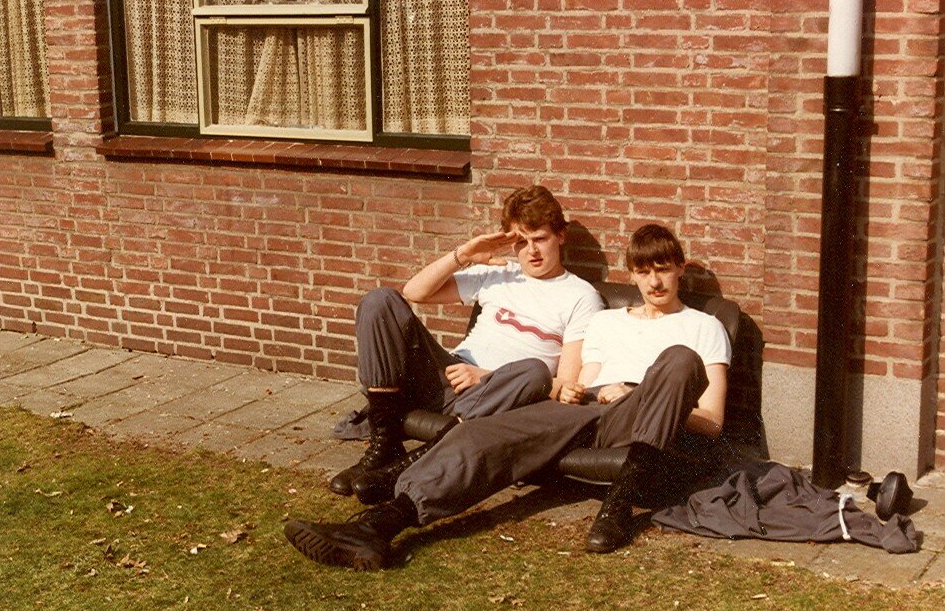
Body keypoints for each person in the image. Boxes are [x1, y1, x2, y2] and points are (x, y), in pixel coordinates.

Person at [285, 223, 731, 570]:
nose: (655, 281)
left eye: (663, 269)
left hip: (640, 412)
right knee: (477, 436)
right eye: (644, 271)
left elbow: (711, 420)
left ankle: (619, 505)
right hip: (584, 410)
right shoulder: (607, 322)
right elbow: (579, 380)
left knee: (679, 359)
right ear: (632, 274)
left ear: (680, 269)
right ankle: (378, 525)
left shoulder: (703, 327)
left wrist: (638, 392)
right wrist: (569, 388)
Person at [328, 185, 604, 503]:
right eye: (520, 242)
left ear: (561, 236)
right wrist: (464, 255)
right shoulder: (499, 273)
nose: (532, 251)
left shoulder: (581, 296)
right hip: (449, 377)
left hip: (503, 393)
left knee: (535, 370)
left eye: (540, 238)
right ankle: (384, 446)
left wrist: (485, 376)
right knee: (380, 301)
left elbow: (565, 387)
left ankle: (408, 464)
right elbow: (415, 292)